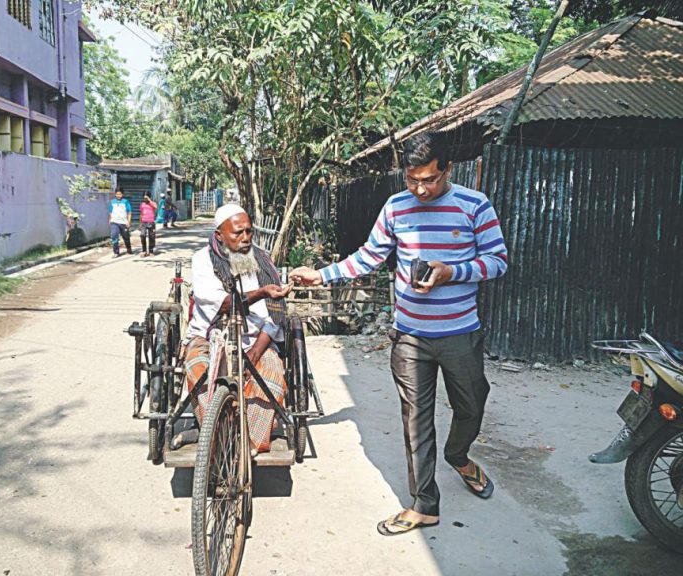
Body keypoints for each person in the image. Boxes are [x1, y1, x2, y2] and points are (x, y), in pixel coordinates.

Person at [290, 131, 508, 536]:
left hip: (461, 332)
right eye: (412, 180)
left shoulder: (474, 205)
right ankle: (425, 503)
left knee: (472, 405)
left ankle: (459, 455)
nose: (420, 189)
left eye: (429, 179)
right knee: (415, 420)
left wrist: (451, 273)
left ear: (448, 168)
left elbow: (497, 262)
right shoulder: (396, 207)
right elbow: (369, 256)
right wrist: (321, 275)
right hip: (409, 335)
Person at [174, 204, 292, 456]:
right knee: (198, 369)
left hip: (255, 340)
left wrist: (255, 354)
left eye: (249, 231)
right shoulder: (203, 260)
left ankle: (250, 440)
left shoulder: (261, 259)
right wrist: (260, 292)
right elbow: (223, 302)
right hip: (208, 336)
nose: (246, 238)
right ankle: (215, 433)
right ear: (219, 235)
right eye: (238, 233)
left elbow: (275, 315)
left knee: (270, 373)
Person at [108, 188, 132, 258]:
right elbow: (110, 212)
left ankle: (129, 249)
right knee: (114, 236)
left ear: (122, 194)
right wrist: (110, 219)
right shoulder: (112, 202)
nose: (118, 195)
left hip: (123, 222)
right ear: (115, 194)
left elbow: (129, 212)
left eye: (120, 194)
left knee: (126, 237)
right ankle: (116, 252)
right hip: (114, 222)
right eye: (117, 194)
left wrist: (128, 221)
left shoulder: (126, 202)